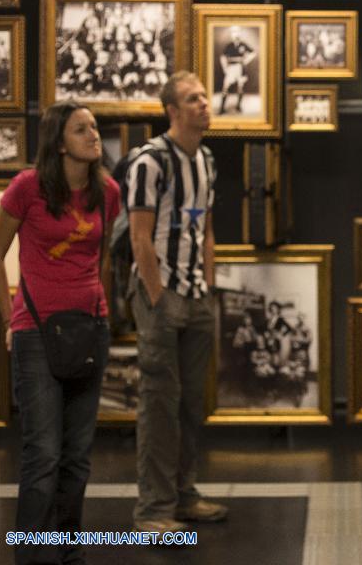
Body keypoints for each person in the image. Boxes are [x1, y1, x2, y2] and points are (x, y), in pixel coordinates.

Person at [0, 100, 120, 565]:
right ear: (59, 143)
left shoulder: (107, 192)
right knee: (43, 453)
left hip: (90, 328)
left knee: (77, 455)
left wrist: (101, 310)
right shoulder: (27, 188)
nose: (93, 135)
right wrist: (10, 318)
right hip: (36, 332)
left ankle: (66, 552)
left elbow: (100, 258)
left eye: (94, 127)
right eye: (81, 128)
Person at [125, 71, 226, 533]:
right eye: (192, 99)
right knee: (159, 403)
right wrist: (157, 295)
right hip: (160, 294)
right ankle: (153, 510)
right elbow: (140, 237)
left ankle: (184, 495)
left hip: (196, 296)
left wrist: (207, 285)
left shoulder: (205, 159)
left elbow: (204, 229)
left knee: (190, 404)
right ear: (172, 111)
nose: (204, 104)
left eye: (205, 96)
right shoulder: (150, 160)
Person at [218, 27, 257, 115]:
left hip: (240, 67)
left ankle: (238, 106)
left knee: (240, 86)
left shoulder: (243, 44)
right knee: (226, 86)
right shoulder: (229, 45)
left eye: (237, 33)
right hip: (231, 67)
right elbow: (222, 57)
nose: (236, 35)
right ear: (232, 35)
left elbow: (253, 52)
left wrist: (246, 60)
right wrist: (225, 68)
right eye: (234, 33)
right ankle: (222, 108)